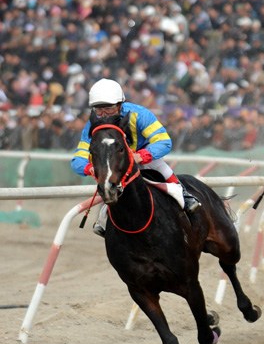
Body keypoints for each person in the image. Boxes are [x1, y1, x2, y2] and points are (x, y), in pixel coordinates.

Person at [71, 78, 201, 237]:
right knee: (108, 184)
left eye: (109, 109)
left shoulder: (140, 114)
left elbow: (164, 141)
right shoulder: (92, 125)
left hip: (144, 156)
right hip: (116, 164)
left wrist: (141, 156)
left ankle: (185, 197)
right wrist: (90, 168)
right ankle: (103, 218)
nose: (103, 115)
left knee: (160, 166)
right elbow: (78, 159)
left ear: (120, 104)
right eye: (99, 110)